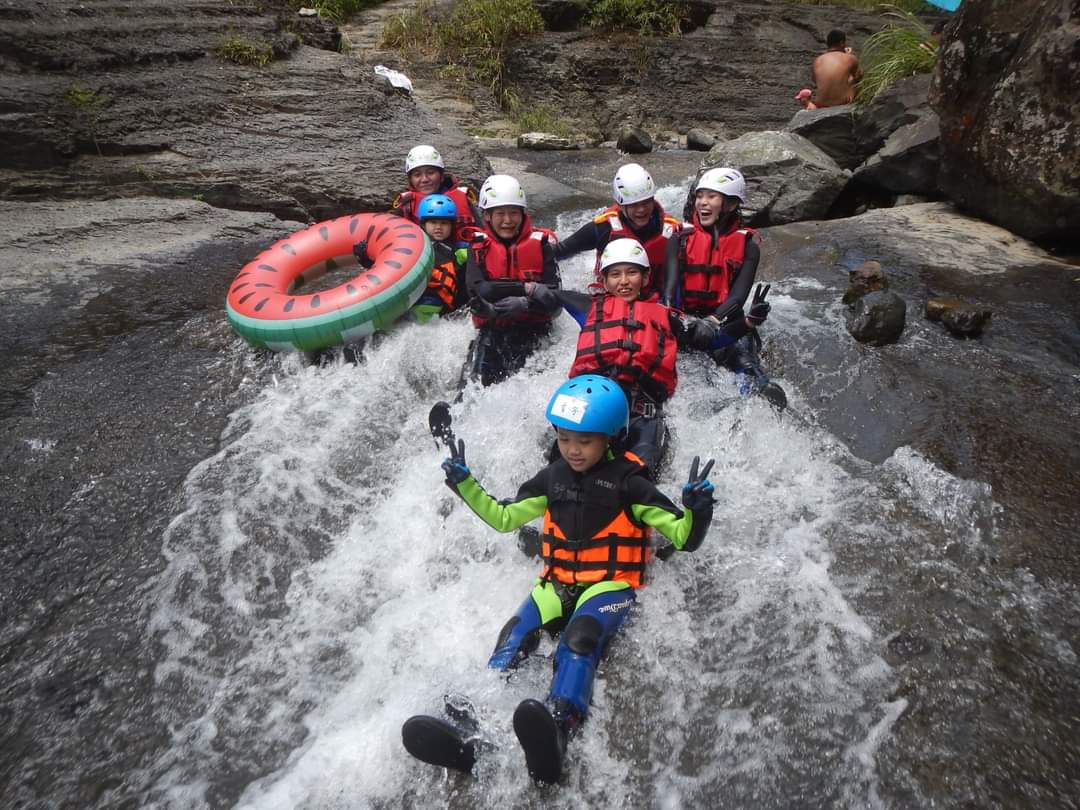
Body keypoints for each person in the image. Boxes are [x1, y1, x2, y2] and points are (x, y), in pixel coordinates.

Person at [401, 375, 716, 784]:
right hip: (557, 584)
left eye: (584, 440)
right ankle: (471, 729)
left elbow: (683, 537)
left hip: (609, 586)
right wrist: (465, 484)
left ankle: (560, 726)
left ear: (611, 437)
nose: (573, 449)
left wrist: (697, 510)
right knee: (513, 634)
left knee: (579, 638)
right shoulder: (551, 478)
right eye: (565, 438)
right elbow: (503, 517)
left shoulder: (632, 484)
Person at [533, 237, 757, 476]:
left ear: (646, 278)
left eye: (632, 273)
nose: (624, 281)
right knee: (556, 469)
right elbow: (547, 293)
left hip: (642, 412)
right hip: (592, 404)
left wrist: (747, 323)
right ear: (604, 280)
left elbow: (708, 340)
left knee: (642, 478)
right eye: (615, 275)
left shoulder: (666, 316)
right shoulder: (587, 306)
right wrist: (525, 290)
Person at [663, 167, 786, 409]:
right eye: (700, 196)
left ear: (730, 205)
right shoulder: (679, 238)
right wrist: (670, 316)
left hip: (725, 319)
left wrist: (713, 320)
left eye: (712, 197)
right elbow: (669, 286)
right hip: (685, 318)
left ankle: (757, 392)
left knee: (745, 362)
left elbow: (738, 295)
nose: (703, 203)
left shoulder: (748, 246)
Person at [463, 174, 561, 387]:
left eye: (513, 213)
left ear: (523, 214)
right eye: (500, 213)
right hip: (493, 330)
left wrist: (526, 304)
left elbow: (555, 302)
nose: (507, 220)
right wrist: (526, 288)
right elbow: (479, 291)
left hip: (536, 331)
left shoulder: (541, 244)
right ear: (486, 215)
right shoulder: (478, 247)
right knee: (475, 386)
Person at [553, 163, 681, 298]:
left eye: (645, 202)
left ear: (653, 199)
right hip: (610, 297)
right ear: (620, 205)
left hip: (653, 298)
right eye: (634, 205)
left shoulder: (672, 231)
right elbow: (560, 251)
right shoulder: (603, 228)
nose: (641, 209)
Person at [391, 145, 482, 238]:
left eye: (430, 173)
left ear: (441, 176)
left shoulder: (464, 197)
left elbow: (483, 229)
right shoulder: (406, 203)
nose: (424, 179)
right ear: (410, 180)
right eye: (417, 175)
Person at [410, 193, 470, 323]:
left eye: (444, 223)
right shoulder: (413, 247)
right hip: (415, 304)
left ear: (451, 226)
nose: (438, 227)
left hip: (447, 309)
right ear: (424, 224)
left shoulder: (459, 249)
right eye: (433, 222)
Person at [811, 29, 862, 107]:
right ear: (842, 43)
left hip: (820, 103)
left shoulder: (817, 60)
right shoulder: (850, 58)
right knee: (857, 82)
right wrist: (849, 55)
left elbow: (815, 80)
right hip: (842, 102)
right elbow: (859, 77)